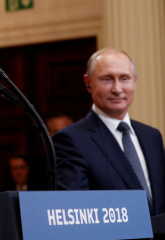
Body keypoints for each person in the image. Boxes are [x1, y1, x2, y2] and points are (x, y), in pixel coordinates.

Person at [52, 48, 165, 216]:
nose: (117, 89)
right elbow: (76, 212)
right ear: (88, 83)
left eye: (124, 78)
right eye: (107, 79)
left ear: (135, 81)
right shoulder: (71, 140)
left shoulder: (152, 136)